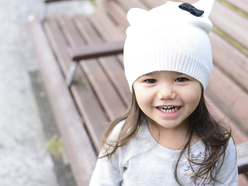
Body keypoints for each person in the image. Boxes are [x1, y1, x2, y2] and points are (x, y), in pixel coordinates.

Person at [89, 0, 238, 185]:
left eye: (181, 79)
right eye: (150, 80)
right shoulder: (121, 139)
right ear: (133, 85)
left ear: (201, 83)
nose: (166, 93)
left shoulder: (218, 145)